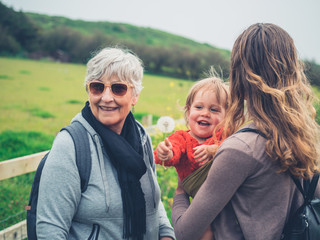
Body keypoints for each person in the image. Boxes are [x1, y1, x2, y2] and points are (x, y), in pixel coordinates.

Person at [171, 23, 320, 240]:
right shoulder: (304, 140)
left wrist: (181, 189)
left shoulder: (240, 149)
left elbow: (186, 232)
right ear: (293, 75)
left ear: (240, 79)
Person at [36, 47, 175, 240]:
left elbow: (151, 199)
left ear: (135, 96)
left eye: (118, 88)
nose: (106, 97)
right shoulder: (71, 145)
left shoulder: (141, 136)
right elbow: (50, 230)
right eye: (97, 87)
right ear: (88, 91)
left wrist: (166, 234)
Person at [154, 76, 229, 198]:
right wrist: (166, 153)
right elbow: (174, 150)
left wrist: (214, 150)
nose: (205, 113)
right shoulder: (182, 137)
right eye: (199, 107)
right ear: (189, 112)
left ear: (226, 117)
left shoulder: (224, 135)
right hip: (199, 196)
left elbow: (233, 150)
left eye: (214, 110)